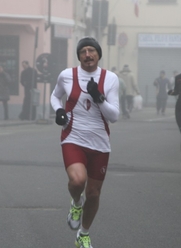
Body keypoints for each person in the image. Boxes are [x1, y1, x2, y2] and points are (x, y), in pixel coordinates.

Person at [50, 37, 119, 248]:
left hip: (99, 143)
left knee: (94, 193)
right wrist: (59, 110)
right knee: (78, 182)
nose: (87, 55)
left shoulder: (110, 79)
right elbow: (55, 97)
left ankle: (84, 233)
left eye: (92, 51)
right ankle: (76, 203)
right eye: (83, 51)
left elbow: (114, 116)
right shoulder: (66, 75)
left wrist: (99, 97)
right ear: (79, 55)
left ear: (98, 54)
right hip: (73, 137)